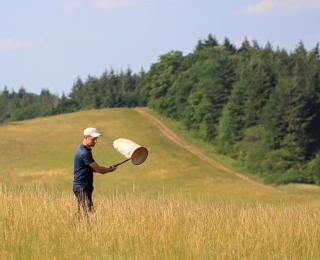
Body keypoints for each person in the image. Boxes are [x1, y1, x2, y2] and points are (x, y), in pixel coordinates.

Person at [73, 127, 117, 216]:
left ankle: (75, 228)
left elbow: (91, 168)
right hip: (82, 187)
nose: (96, 141)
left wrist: (108, 169)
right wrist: (110, 170)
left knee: (84, 213)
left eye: (96, 138)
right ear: (86, 137)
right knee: (88, 214)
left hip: (84, 186)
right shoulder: (84, 152)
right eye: (93, 139)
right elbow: (98, 169)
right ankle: (74, 228)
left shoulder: (85, 149)